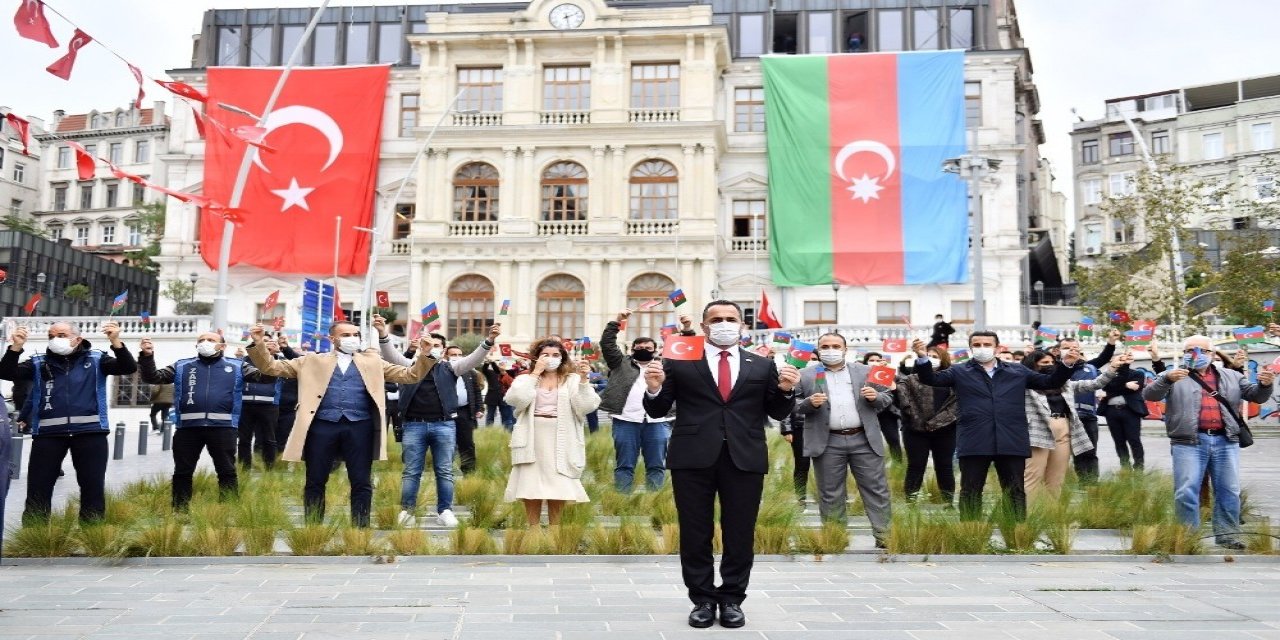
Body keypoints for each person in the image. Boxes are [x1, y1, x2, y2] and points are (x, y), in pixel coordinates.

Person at [642, 300, 798, 629]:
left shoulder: (760, 364)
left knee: (739, 532)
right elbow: (658, 410)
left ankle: (731, 599)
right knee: (695, 531)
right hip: (692, 456)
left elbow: (778, 412)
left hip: (745, 457)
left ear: (742, 325)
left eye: (730, 319)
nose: (724, 323)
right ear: (703, 326)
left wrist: (786, 390)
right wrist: (654, 388)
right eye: (716, 319)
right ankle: (701, 599)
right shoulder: (680, 360)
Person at [246, 322, 436, 527]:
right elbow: (270, 367)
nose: (352, 338)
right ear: (332, 339)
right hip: (321, 426)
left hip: (360, 426)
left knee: (362, 481)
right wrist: (258, 343)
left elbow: (410, 375)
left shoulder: (374, 361)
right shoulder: (311, 360)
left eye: (355, 334)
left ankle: (360, 528)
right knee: (315, 480)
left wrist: (424, 354)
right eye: (346, 334)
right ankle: (313, 527)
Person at [910, 333, 1081, 521]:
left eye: (987, 344)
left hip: (1011, 438)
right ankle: (971, 531)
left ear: (997, 348)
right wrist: (922, 357)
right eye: (977, 344)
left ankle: (1016, 532)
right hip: (974, 439)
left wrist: (1067, 364)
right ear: (970, 348)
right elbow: (930, 380)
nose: (982, 347)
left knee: (1015, 490)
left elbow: (1050, 382)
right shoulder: (959, 371)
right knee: (971, 490)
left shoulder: (1017, 371)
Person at [1143, 335, 1274, 549]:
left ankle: (1228, 535)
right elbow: (1150, 394)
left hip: (1225, 440)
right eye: (1189, 350)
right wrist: (1166, 379)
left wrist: (1265, 385)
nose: (1195, 354)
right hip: (1188, 442)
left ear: (1212, 355)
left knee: (1229, 490)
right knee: (1186, 489)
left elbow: (1256, 396)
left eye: (1201, 350)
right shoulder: (1174, 375)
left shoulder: (1231, 375)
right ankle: (1188, 537)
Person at [1, 322, 136, 523]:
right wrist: (16, 347)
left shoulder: (97, 359)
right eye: (51, 335)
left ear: (77, 339)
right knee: (38, 488)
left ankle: (92, 535)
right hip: (48, 435)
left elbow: (128, 367)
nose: (56, 339)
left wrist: (115, 341)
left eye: (62, 334)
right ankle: (34, 536)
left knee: (92, 487)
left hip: (90, 433)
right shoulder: (38, 363)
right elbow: (5, 373)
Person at [377, 317, 500, 528]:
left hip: (444, 425)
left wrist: (489, 340)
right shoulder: (409, 365)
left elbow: (473, 359)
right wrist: (382, 333)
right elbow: (390, 355)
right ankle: (407, 511)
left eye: (436, 346)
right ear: (420, 348)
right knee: (411, 471)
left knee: (444, 470)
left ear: (443, 350)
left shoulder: (451, 368)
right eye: (428, 345)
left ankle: (445, 510)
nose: (432, 349)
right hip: (413, 425)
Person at [138, 332, 276, 509]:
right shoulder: (182, 366)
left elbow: (267, 377)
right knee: (182, 472)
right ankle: (180, 511)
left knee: (226, 471)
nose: (205, 343)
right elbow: (153, 377)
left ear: (222, 346)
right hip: (188, 428)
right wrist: (147, 356)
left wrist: (266, 354)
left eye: (211, 340)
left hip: (223, 428)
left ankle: (228, 510)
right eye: (201, 340)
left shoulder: (237, 366)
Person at [795, 333, 894, 547]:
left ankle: (885, 536)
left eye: (835, 346)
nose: (830, 350)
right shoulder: (806, 375)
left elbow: (887, 398)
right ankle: (835, 537)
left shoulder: (866, 371)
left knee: (876, 489)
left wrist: (875, 397)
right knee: (830, 492)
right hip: (827, 441)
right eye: (825, 346)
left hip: (864, 438)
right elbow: (792, 405)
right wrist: (809, 403)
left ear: (845, 349)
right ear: (818, 349)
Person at [503, 339, 599, 525]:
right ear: (536, 357)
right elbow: (515, 399)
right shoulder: (525, 378)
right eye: (545, 355)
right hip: (532, 437)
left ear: (563, 358)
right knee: (530, 485)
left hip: (563, 437)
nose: (551, 359)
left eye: (556, 355)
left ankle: (556, 531)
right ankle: (533, 530)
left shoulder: (572, 380)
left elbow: (586, 406)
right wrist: (536, 373)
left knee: (559, 485)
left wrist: (584, 380)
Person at [598, 308, 685, 493]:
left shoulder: (666, 365)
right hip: (626, 420)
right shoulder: (620, 363)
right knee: (624, 465)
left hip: (658, 422)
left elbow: (687, 353)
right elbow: (607, 344)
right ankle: (622, 502)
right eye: (639, 348)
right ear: (631, 349)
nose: (644, 350)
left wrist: (686, 329)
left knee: (656, 465)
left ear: (656, 350)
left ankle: (654, 501)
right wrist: (617, 321)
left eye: (648, 348)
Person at [1021, 349, 1120, 499]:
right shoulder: (1025, 385)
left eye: (1052, 362)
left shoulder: (1065, 383)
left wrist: (1112, 368)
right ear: (1033, 366)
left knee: (1056, 478)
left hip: (1063, 432)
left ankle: (1051, 515)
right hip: (1037, 435)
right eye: (1044, 363)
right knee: (1033, 476)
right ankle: (1028, 517)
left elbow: (1094, 384)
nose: (1050, 365)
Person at [896, 346, 958, 504]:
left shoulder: (954, 379)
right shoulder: (910, 379)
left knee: (944, 466)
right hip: (915, 430)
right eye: (926, 355)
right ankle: (911, 502)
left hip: (946, 430)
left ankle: (947, 502)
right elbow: (903, 400)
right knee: (916, 466)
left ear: (943, 358)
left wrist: (937, 422)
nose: (930, 358)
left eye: (934, 355)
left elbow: (956, 405)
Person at [1057, 332, 1120, 483]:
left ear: (1080, 350)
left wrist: (1111, 342)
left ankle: (1090, 485)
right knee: (1061, 453)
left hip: (1087, 417)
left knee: (1089, 452)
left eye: (1074, 347)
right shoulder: (1055, 369)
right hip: (1063, 417)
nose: (1071, 350)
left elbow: (1104, 358)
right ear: (1059, 350)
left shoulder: (1090, 367)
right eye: (1066, 348)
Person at [237, 341, 283, 470]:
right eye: (264, 344)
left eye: (272, 344)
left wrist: (280, 351)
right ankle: (244, 468)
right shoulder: (243, 361)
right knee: (244, 439)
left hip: (269, 404)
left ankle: (270, 469)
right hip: (245, 404)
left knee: (269, 438)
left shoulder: (278, 361)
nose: (268, 347)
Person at [1099, 354, 1149, 469]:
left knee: (1134, 440)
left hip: (1130, 410)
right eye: (1118, 359)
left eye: (1123, 360)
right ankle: (1125, 467)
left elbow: (1135, 388)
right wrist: (1125, 385)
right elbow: (1106, 387)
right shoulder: (1107, 376)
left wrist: (1115, 388)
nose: (1121, 362)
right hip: (1111, 411)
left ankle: (1139, 467)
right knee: (1119, 441)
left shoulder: (1137, 373)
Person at [447, 343, 485, 475]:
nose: (457, 357)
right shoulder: (441, 371)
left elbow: (476, 391)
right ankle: (446, 471)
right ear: (446, 356)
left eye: (459, 354)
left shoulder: (469, 372)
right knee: (446, 442)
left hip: (464, 412)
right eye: (453, 355)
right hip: (445, 412)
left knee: (467, 442)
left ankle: (468, 471)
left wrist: (479, 408)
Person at [861, 352, 903, 463]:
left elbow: (898, 388)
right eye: (871, 360)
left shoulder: (885, 372)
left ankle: (897, 463)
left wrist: (889, 372)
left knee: (893, 439)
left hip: (887, 412)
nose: (874, 363)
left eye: (877, 360)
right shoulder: (860, 374)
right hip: (868, 411)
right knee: (868, 441)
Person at [264, 335, 301, 460]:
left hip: (289, 410)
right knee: (265, 438)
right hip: (270, 406)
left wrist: (285, 348)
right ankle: (263, 464)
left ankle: (278, 464)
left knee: (282, 439)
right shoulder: (274, 364)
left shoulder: (296, 365)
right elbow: (263, 362)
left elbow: (300, 360)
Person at [779, 400, 808, 503]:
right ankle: (801, 498)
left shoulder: (821, 383)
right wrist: (786, 429)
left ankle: (835, 498)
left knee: (828, 465)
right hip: (799, 428)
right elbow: (786, 401)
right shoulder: (797, 385)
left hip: (822, 428)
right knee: (802, 464)